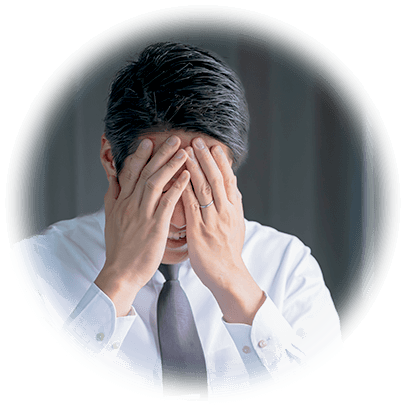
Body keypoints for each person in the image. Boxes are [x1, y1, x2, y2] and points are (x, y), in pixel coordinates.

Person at [10, 42, 343, 401]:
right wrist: (119, 279)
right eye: (163, 183)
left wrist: (233, 281)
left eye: (202, 182)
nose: (182, 218)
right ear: (110, 159)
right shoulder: (34, 269)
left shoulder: (288, 266)